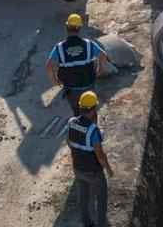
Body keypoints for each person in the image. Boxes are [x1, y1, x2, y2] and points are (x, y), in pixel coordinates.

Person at [46, 13, 110, 116]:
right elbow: (103, 55)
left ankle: (78, 121)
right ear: (79, 28)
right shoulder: (89, 44)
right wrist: (100, 69)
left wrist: (54, 81)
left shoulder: (59, 47)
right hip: (88, 84)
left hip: (71, 88)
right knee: (90, 106)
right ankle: (91, 123)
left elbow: (49, 67)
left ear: (67, 27)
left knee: (76, 108)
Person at [66, 91, 113, 227]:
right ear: (94, 109)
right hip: (93, 171)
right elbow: (100, 155)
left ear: (80, 107)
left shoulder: (71, 122)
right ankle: (101, 224)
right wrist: (108, 169)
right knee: (101, 198)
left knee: (84, 197)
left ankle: (86, 222)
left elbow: (69, 142)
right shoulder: (93, 131)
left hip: (78, 168)